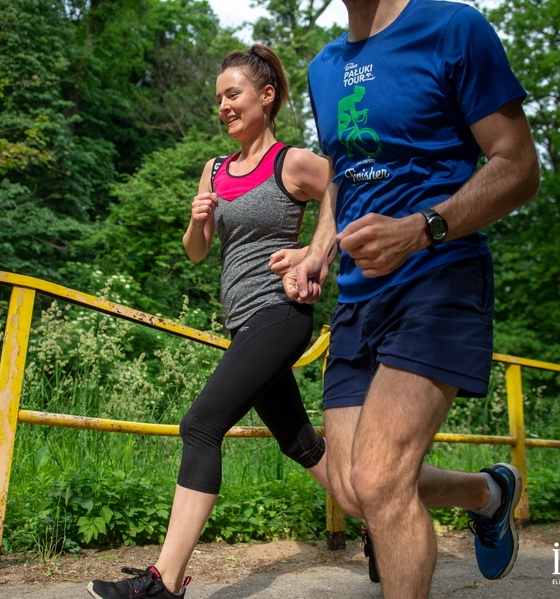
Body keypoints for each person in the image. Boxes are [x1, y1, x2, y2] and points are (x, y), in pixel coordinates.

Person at [284, 1, 541, 598]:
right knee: (352, 489)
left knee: (379, 477)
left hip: (438, 276)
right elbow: (344, 175)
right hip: (357, 299)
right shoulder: (325, 66)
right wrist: (319, 250)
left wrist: (422, 228)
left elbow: (519, 166)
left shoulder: (454, 29)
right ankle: (488, 493)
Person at [86, 44, 334, 599]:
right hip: (244, 322)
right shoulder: (216, 169)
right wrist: (199, 222)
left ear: (266, 97)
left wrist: (316, 251)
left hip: (281, 313)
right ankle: (385, 520)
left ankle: (164, 583)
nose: (223, 106)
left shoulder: (289, 162)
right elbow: (197, 253)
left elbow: (342, 184)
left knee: (200, 425)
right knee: (303, 447)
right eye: (218, 97)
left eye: (233, 94)